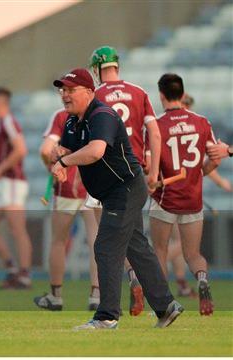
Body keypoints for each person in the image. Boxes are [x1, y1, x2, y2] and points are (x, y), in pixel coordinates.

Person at [50, 68, 181, 330]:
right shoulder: (72, 120)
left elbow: (95, 151)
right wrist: (60, 153)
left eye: (70, 90)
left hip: (125, 189)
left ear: (88, 92)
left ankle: (107, 316)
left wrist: (64, 160)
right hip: (113, 192)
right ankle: (167, 307)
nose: (64, 94)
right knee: (137, 249)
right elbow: (69, 147)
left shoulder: (102, 115)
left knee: (106, 247)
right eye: (62, 90)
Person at [90, 45, 162, 316]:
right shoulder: (139, 92)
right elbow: (154, 134)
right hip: (136, 172)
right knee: (133, 236)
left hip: (109, 173)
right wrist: (153, 172)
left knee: (109, 241)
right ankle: (164, 305)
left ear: (97, 68)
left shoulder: (95, 95)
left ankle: (108, 307)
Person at [149, 74, 221, 316]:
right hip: (193, 199)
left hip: (165, 199)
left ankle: (164, 301)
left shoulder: (156, 125)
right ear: (182, 93)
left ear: (161, 95)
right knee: (193, 254)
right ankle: (202, 280)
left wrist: (150, 182)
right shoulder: (201, 122)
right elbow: (215, 158)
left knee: (159, 250)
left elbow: (150, 166)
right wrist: (200, 172)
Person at [165, 93, 231, 298]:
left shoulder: (164, 126)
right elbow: (208, 163)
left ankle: (154, 272)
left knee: (173, 245)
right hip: (188, 194)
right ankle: (184, 283)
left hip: (168, 195)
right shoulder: (196, 126)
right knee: (186, 247)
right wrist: (223, 183)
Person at [34, 108, 99, 311]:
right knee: (96, 242)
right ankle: (97, 296)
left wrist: (49, 165)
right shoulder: (98, 113)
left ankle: (56, 296)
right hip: (93, 184)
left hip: (66, 184)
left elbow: (45, 150)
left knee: (58, 241)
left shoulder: (61, 116)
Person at [0, 87, 32, 289]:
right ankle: (11, 268)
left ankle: (24, 274)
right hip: (3, 184)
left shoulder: (9, 121)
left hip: (13, 182)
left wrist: (1, 168)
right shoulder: (2, 123)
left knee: (17, 229)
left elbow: (21, 149)